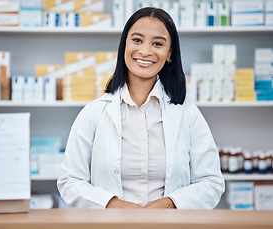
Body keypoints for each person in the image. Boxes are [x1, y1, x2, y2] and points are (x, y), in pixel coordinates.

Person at [57, 7, 225, 209]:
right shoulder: (93, 113)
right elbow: (70, 181)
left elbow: (211, 183)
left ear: (169, 53)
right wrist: (113, 205)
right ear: (124, 45)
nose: (145, 51)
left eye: (157, 43)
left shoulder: (188, 115)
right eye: (137, 40)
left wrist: (170, 203)